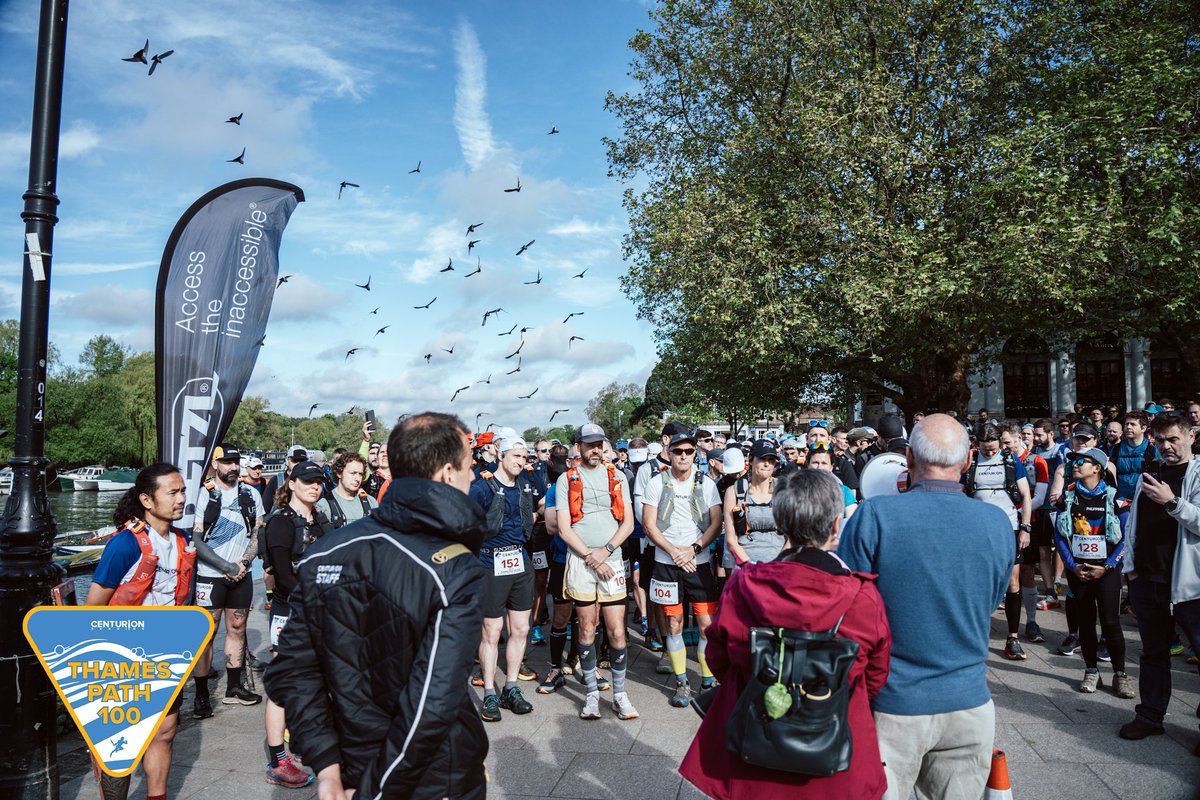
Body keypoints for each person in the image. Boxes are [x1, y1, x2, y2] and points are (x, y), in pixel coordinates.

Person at [264, 412, 491, 800]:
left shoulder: (324, 551)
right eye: (470, 467)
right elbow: (431, 707)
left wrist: (328, 770)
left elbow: (294, 671)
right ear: (448, 474)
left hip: (354, 763)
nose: (474, 478)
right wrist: (368, 788)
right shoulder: (454, 569)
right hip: (433, 775)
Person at [680, 469, 891, 800]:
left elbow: (718, 658)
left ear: (779, 522)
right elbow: (875, 677)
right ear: (837, 524)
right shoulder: (863, 596)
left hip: (756, 745)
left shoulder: (744, 585)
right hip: (834, 749)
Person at [838, 414, 1013, 800]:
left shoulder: (875, 516)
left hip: (893, 705)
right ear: (968, 460)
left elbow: (847, 613)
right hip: (969, 703)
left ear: (909, 457)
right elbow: (992, 599)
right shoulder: (997, 522)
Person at [86, 464, 195, 800]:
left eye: (182, 491)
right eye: (172, 492)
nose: (181, 499)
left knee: (164, 732)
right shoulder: (124, 545)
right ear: (147, 500)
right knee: (118, 740)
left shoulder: (182, 539)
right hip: (121, 655)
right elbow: (93, 608)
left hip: (164, 652)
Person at [1119, 412, 1200, 752]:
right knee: (1153, 653)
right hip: (1148, 579)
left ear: (1191, 436)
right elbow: (1133, 522)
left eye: (1173, 440)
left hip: (1190, 585)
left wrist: (1172, 501)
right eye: (1160, 440)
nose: (1166, 446)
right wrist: (1131, 566)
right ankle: (1150, 716)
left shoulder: (1197, 474)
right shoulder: (1149, 473)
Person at [555, 423, 638, 720]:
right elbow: (563, 528)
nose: (595, 449)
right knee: (587, 627)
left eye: (599, 444)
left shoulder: (617, 476)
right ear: (577, 446)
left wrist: (606, 552)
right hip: (581, 559)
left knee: (616, 630)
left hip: (610, 558)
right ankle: (591, 694)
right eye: (588, 444)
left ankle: (619, 694)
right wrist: (591, 556)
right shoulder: (567, 478)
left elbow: (628, 523)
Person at [262, 460, 331, 787]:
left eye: (318, 481)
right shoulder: (281, 523)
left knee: (314, 680)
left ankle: (303, 745)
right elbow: (284, 577)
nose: (314, 486)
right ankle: (277, 759)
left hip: (318, 613)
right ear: (291, 483)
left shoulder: (320, 520)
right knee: (283, 684)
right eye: (307, 481)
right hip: (289, 611)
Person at [642, 429, 723, 707]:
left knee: (706, 625)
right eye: (679, 451)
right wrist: (675, 552)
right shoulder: (657, 482)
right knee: (674, 624)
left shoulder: (707, 484)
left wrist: (694, 549)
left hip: (698, 564)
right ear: (671, 452)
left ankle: (708, 680)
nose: (684, 456)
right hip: (667, 564)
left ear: (695, 453)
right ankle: (681, 682)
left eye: (689, 451)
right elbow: (649, 524)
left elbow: (716, 523)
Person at [469, 437, 542, 721]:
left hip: (519, 560)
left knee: (521, 629)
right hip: (490, 561)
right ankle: (489, 692)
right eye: (515, 456)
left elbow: (533, 511)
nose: (520, 461)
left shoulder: (524, 483)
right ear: (500, 455)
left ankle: (510, 687)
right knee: (491, 631)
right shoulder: (482, 487)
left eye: (524, 457)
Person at [1053, 447, 1134, 697]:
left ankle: (1120, 674)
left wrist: (1108, 566)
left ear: (1097, 467)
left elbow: (1127, 537)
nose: (1074, 465)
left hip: (1107, 569)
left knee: (1110, 621)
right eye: (1073, 462)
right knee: (1086, 622)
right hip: (1080, 570)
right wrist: (1072, 565)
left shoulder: (1115, 497)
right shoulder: (1067, 497)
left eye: (1081, 461)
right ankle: (1091, 670)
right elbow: (1059, 534)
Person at [191, 443, 264, 718]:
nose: (233, 467)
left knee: (237, 627)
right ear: (215, 464)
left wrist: (243, 563)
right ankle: (201, 696)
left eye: (236, 462)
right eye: (227, 462)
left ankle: (234, 688)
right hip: (210, 576)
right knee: (206, 635)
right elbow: (196, 539)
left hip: (240, 574)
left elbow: (258, 533)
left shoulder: (251, 494)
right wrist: (225, 566)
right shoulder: (204, 495)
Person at [963, 423, 1033, 659]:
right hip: (978, 530)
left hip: (1009, 527)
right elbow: (961, 492)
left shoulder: (1011, 460)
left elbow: (1025, 495)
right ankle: (976, 634)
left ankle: (1012, 638)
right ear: (977, 444)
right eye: (986, 449)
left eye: (994, 448)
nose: (990, 452)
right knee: (979, 582)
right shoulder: (970, 461)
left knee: (1013, 581)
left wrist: (1025, 528)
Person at [723, 439, 781, 566]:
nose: (767, 464)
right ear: (750, 459)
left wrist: (779, 565)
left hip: (778, 565)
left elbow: (792, 537)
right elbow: (731, 540)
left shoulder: (783, 490)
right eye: (762, 459)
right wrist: (749, 567)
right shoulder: (734, 491)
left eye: (771, 460)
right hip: (745, 565)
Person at [316, 451, 379, 528]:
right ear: (339, 473)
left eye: (360, 474)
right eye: (353, 473)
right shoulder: (324, 506)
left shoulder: (371, 502)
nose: (357, 479)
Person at [264, 445, 307, 514]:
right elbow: (265, 508)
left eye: (302, 461)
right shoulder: (276, 481)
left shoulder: (309, 482)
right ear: (287, 461)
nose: (298, 464)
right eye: (295, 460)